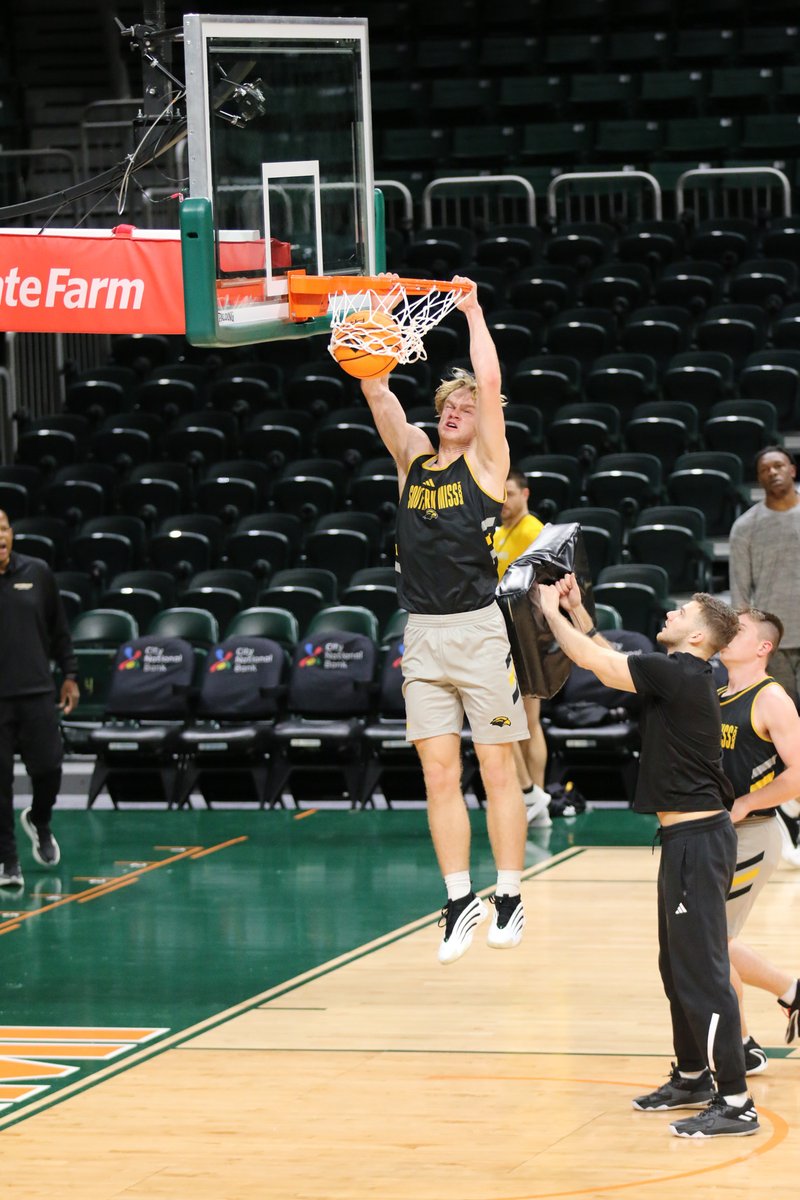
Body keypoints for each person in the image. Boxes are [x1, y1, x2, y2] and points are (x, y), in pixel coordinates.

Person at [539, 574, 759, 1139]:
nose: (670, 613)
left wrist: (549, 614)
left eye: (682, 611)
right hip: (686, 842)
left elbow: (599, 664)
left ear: (698, 636)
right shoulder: (681, 674)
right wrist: (579, 610)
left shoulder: (682, 672)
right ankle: (692, 1078)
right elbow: (616, 659)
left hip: (699, 842)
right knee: (675, 968)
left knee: (703, 975)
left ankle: (736, 1101)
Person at [360, 275, 529, 966]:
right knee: (436, 771)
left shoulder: (490, 467)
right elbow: (376, 389)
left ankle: (511, 893)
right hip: (423, 634)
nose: (459, 408)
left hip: (479, 628)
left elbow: (490, 385)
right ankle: (459, 898)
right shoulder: (411, 459)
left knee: (495, 768)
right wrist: (374, 316)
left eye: (467, 404)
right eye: (449, 403)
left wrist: (474, 312)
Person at [719, 608, 800, 1065]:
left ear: (764, 647)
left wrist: (748, 802)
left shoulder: (771, 699)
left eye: (740, 630)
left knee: (710, 941)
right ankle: (792, 991)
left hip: (753, 833)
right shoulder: (717, 693)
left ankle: (741, 1046)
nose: (729, 633)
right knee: (715, 940)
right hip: (720, 836)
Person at [0, 510, 79, 888]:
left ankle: (40, 820)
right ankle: (8, 860)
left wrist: (71, 676)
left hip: (36, 693)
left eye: (2, 528)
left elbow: (59, 629)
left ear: (11, 534)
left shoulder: (37, 573)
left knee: (49, 769)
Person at [493, 469, 551, 828]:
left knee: (525, 722)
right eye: (499, 494)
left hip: (527, 632)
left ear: (525, 493)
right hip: (506, 631)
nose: (503, 500)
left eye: (510, 493)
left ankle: (535, 797)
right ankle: (535, 802)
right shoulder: (499, 532)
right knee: (522, 723)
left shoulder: (534, 531)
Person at [729, 446, 800, 707]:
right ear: (759, 479)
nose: (772, 472)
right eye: (764, 470)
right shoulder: (745, 527)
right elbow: (739, 591)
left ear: (792, 470)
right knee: (784, 718)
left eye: (778, 466)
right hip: (772, 641)